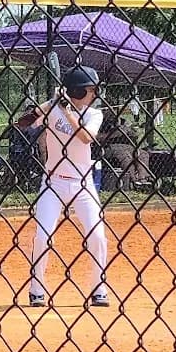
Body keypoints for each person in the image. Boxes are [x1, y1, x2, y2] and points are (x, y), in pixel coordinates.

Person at [23, 65, 110, 308]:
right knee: (42, 236)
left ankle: (98, 289)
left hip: (83, 185)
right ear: (79, 90)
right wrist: (50, 103)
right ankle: (36, 289)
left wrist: (66, 110)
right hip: (53, 183)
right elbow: (24, 122)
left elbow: (85, 138)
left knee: (98, 237)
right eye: (90, 89)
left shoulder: (94, 114)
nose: (94, 94)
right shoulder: (54, 108)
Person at [96, 113, 151, 190]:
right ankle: (133, 180)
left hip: (126, 145)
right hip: (107, 147)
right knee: (125, 155)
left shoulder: (122, 122)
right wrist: (114, 134)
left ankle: (143, 179)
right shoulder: (97, 121)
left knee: (143, 154)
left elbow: (134, 136)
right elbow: (95, 137)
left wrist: (131, 132)